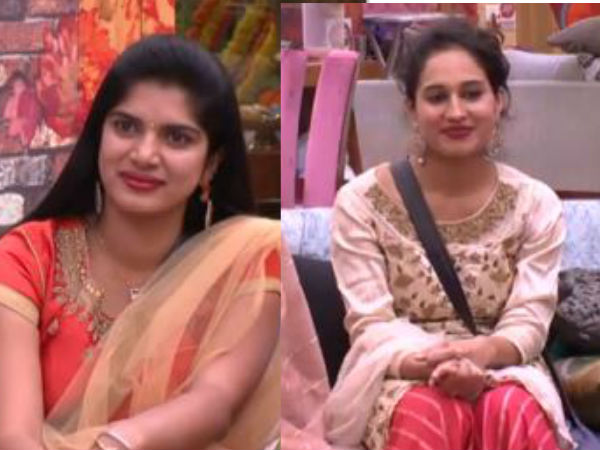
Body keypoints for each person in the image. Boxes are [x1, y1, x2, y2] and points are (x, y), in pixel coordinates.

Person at [0, 34, 280, 450]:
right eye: (126, 127)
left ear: (212, 164)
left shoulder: (247, 262)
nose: (145, 154)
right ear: (99, 136)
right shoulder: (30, 256)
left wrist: (118, 443)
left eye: (177, 137)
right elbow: (13, 435)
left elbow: (216, 402)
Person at [324, 19, 573, 450]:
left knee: (511, 408)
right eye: (437, 97)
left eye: (472, 93)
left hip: (506, 368)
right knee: (429, 411)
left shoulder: (535, 204)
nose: (456, 112)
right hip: (401, 374)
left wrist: (480, 356)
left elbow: (530, 320)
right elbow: (371, 325)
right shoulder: (360, 203)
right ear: (412, 108)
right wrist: (434, 366)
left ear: (498, 101)